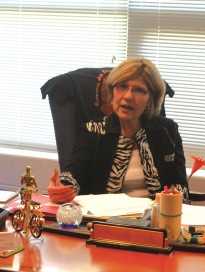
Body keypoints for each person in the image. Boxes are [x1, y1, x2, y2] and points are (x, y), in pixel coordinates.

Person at [48, 58, 189, 203]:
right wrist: (62, 188)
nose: (128, 96)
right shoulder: (94, 130)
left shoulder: (167, 131)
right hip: (105, 220)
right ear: (111, 92)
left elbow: (180, 185)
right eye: (122, 86)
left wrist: (176, 194)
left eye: (139, 90)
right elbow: (73, 176)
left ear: (151, 99)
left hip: (155, 221)